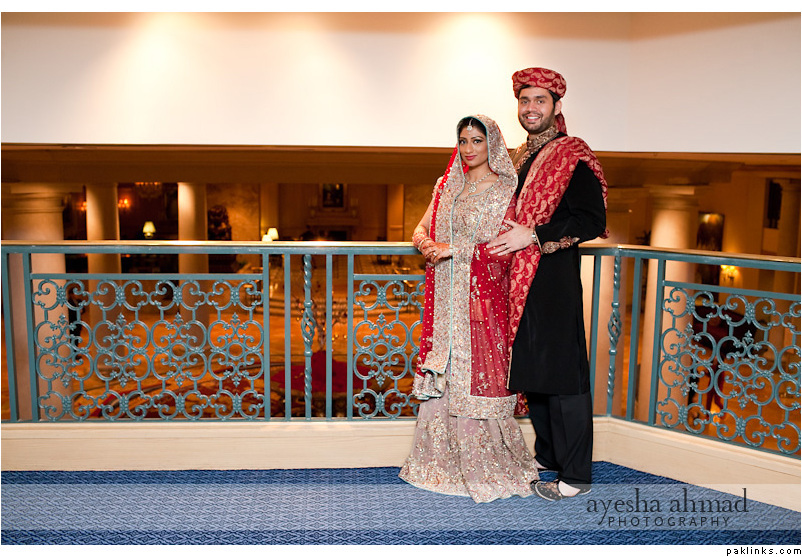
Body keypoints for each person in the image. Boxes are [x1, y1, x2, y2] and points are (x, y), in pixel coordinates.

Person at [399, 114, 538, 503]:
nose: (469, 149)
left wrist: (453, 250)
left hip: (482, 300)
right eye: (463, 141)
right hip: (445, 299)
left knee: (481, 372)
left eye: (477, 140)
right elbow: (419, 229)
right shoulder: (447, 185)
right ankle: (438, 460)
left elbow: (504, 251)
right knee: (445, 370)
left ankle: (486, 463)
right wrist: (428, 245)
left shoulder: (504, 190)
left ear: (492, 144)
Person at [488, 67, 609, 501]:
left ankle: (575, 475)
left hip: (553, 279)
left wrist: (534, 235)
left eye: (540, 100)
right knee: (533, 372)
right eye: (525, 100)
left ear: (557, 106)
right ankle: (548, 458)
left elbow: (591, 220)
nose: (531, 108)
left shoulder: (572, 154)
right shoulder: (518, 157)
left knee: (563, 376)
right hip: (518, 281)